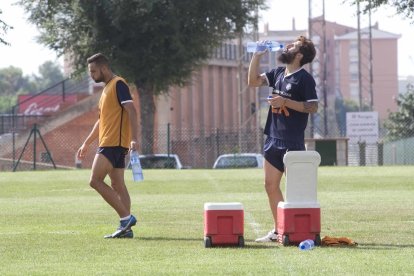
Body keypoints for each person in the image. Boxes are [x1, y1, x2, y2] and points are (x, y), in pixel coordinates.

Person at [247, 36, 318, 242]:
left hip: (292, 143)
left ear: (299, 55)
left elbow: (313, 106)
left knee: (297, 191)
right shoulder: (278, 73)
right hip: (272, 138)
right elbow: (252, 82)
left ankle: (300, 231)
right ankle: (280, 230)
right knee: (269, 186)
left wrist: (285, 101)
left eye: (293, 45)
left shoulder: (304, 79)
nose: (287, 46)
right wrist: (257, 56)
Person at [77, 53, 139, 239]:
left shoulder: (119, 84)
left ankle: (126, 218)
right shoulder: (106, 90)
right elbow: (100, 121)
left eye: (93, 71)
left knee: (94, 181)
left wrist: (134, 138)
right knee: (118, 184)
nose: (91, 75)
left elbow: (132, 110)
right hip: (111, 143)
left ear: (103, 68)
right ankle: (126, 229)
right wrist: (86, 143)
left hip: (113, 143)